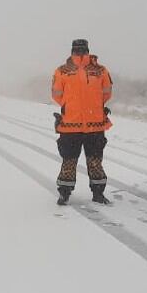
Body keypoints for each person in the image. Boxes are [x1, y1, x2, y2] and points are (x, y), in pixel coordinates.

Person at [51, 39, 113, 205]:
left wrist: (94, 107)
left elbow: (107, 93)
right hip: (70, 125)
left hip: (95, 125)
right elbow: (57, 94)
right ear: (72, 50)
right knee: (69, 161)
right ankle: (64, 193)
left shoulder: (100, 70)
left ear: (87, 50)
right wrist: (70, 108)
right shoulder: (61, 71)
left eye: (82, 49)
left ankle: (98, 194)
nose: (79, 52)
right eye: (76, 49)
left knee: (95, 161)